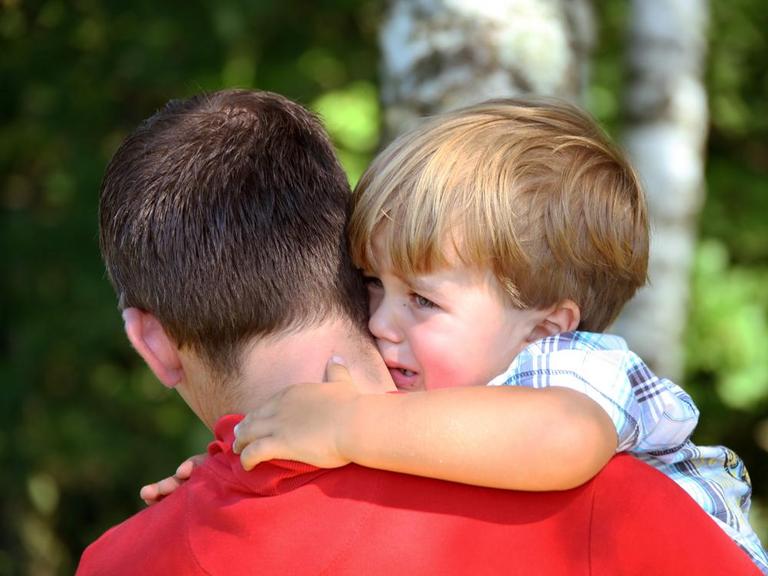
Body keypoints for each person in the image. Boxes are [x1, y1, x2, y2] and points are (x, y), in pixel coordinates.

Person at [77, 89, 761, 575]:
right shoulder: (462, 414)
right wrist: (241, 454)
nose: (379, 321)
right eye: (372, 284)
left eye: (423, 301)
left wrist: (346, 428)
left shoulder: (573, 385)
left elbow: (566, 437)